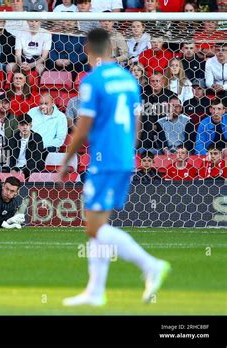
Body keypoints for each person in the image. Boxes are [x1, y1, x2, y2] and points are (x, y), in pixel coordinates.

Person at [58, 28, 170, 307]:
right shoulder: (128, 80)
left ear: (87, 50)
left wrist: (65, 161)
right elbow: (137, 122)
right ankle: (96, 292)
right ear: (110, 49)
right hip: (123, 156)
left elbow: (82, 129)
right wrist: (127, 150)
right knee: (99, 224)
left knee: (94, 228)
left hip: (104, 158)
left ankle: (150, 265)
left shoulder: (92, 81)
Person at [7, 114, 46, 179]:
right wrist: (13, 169)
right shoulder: (12, 139)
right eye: (22, 125)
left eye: (27, 124)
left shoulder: (37, 138)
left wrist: (22, 170)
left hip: (30, 169)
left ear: (31, 126)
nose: (25, 127)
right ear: (18, 126)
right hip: (15, 168)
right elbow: (10, 158)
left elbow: (36, 158)